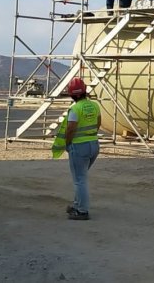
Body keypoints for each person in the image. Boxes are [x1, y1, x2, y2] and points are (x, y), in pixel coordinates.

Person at [60, 77, 101, 220]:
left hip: (79, 147)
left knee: (79, 179)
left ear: (72, 94)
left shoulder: (75, 109)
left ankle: (82, 210)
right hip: (94, 145)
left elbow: (70, 129)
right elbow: (98, 123)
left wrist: (67, 144)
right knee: (81, 177)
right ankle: (77, 204)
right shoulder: (94, 105)